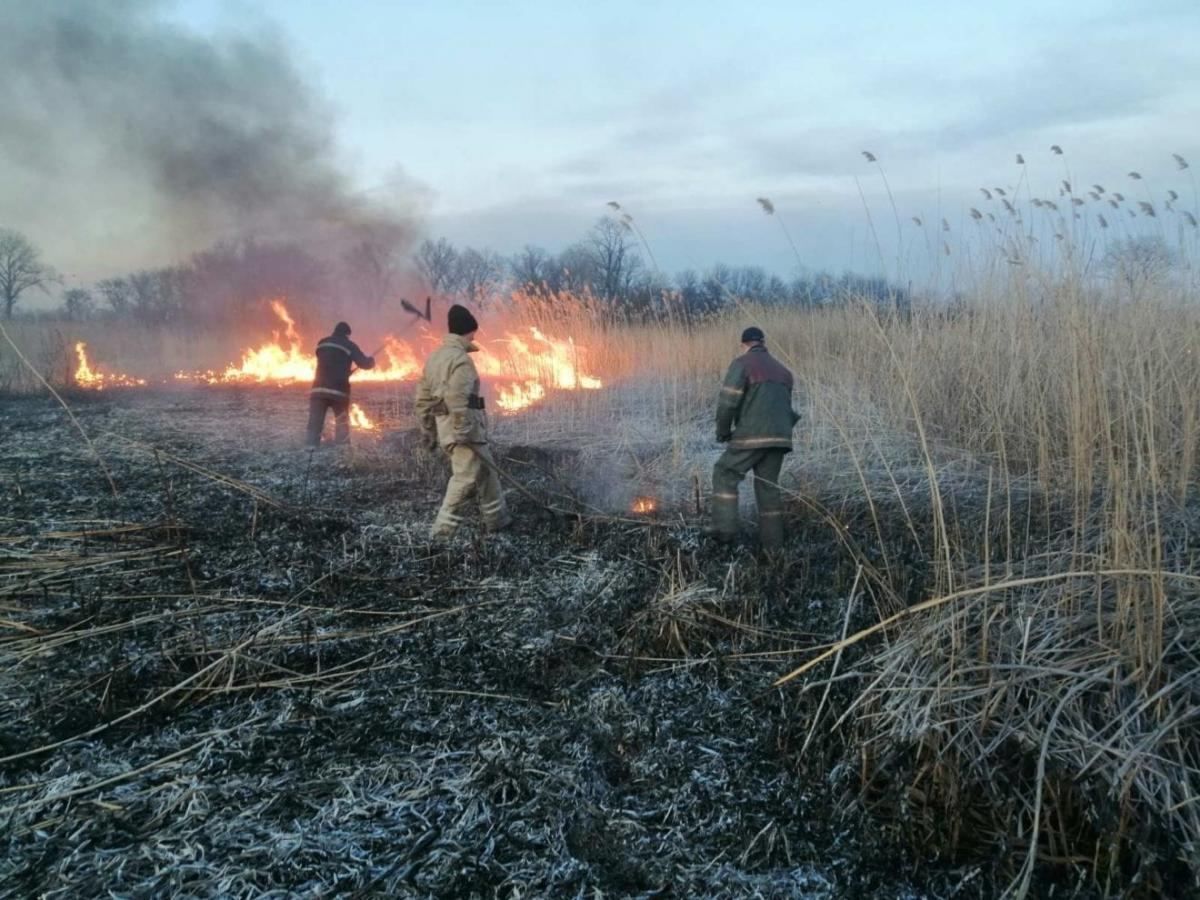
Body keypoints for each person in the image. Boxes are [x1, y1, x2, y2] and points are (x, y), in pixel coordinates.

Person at [415, 304, 511, 540]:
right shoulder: (460, 360)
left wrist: (428, 430)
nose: (475, 336)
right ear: (466, 331)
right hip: (464, 430)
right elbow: (459, 399)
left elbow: (422, 400)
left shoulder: (434, 359)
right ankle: (441, 533)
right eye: (473, 332)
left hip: (449, 427)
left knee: (487, 472)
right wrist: (463, 431)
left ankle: (497, 520)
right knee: (465, 478)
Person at [711, 326, 801, 550]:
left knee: (725, 473)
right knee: (768, 487)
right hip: (781, 438)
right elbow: (785, 406)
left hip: (752, 434)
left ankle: (725, 533)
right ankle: (774, 546)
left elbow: (727, 403)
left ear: (744, 344)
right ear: (762, 342)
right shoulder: (784, 372)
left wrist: (723, 432)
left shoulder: (742, 364)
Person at [306, 321, 375, 447]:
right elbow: (364, 364)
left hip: (318, 390)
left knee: (315, 422)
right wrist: (371, 361)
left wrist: (344, 369)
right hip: (338, 391)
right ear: (347, 335)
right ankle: (341, 448)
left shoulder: (322, 343)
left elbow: (329, 359)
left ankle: (310, 447)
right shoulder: (349, 345)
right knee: (341, 421)